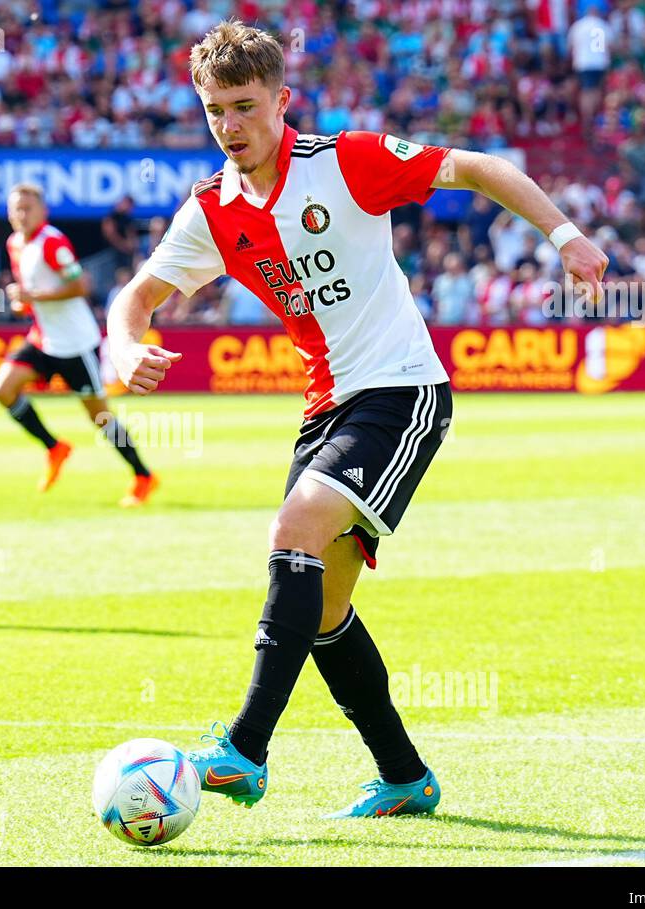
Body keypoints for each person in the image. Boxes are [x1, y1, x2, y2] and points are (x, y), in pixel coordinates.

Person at [107, 21, 608, 818]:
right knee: (325, 607)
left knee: (294, 529)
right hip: (324, 406)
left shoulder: (344, 162)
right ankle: (405, 776)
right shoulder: (211, 209)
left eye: (244, 107)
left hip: (402, 389)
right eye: (214, 112)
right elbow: (137, 296)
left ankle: (243, 749)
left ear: (282, 100)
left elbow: (476, 168)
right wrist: (124, 345)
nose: (230, 127)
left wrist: (566, 234)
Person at [0, 183, 158, 507]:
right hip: (43, 339)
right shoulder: (15, 244)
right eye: (15, 209)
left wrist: (32, 297)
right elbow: (33, 293)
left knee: (100, 418)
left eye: (27, 208)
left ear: (43, 211)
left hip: (76, 344)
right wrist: (23, 303)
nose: (20, 215)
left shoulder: (51, 241)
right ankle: (55, 448)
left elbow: (82, 286)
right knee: (1, 389)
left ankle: (143, 476)